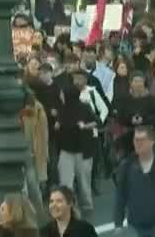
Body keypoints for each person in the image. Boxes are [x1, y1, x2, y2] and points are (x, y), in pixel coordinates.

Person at [113, 126, 155, 236]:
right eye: (136, 140)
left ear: (151, 142)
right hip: (140, 223)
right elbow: (121, 195)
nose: (137, 143)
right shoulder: (127, 165)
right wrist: (118, 223)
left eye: (142, 140)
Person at [55, 84, 98, 216]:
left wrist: (84, 126)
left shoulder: (84, 107)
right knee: (65, 183)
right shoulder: (62, 109)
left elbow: (95, 122)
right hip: (66, 150)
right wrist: (57, 125)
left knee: (84, 181)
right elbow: (59, 124)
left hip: (82, 150)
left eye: (63, 93)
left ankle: (87, 205)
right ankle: (70, 208)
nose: (61, 96)